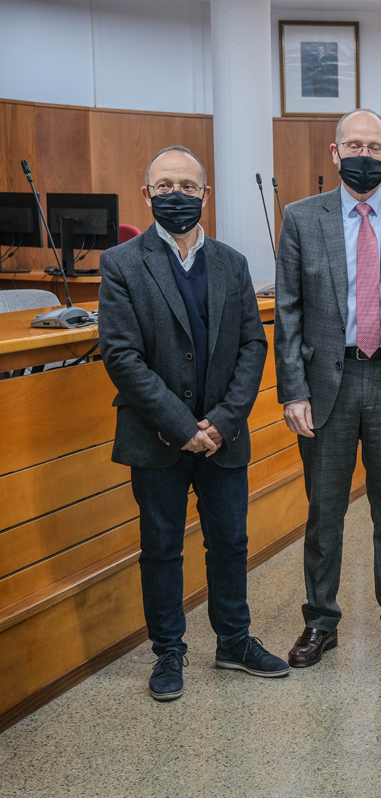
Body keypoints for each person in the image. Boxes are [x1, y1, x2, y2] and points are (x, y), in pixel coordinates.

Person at [99, 145, 288, 701]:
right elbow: (121, 355)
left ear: (205, 194)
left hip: (222, 438)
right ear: (146, 194)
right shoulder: (122, 263)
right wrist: (182, 426)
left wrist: (222, 423)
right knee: (161, 547)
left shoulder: (233, 261)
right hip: (156, 436)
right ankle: (169, 652)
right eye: (163, 186)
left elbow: (254, 345)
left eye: (186, 185)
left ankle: (233, 641)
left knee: (230, 542)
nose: (175, 194)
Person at [274, 108, 381, 669]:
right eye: (354, 145)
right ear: (334, 152)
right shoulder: (301, 217)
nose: (364, 155)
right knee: (325, 511)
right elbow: (290, 311)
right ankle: (320, 622)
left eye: (374, 146)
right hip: (329, 381)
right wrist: (291, 390)